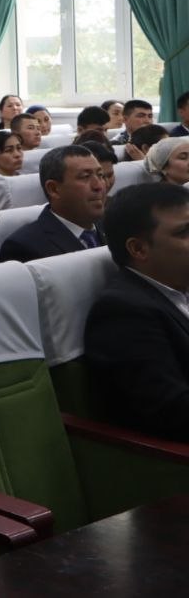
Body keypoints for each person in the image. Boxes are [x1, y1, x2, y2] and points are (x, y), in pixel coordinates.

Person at [85, 184, 189, 440]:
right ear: (139, 249)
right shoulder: (122, 312)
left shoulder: (181, 285)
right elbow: (174, 412)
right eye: (184, 232)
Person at [0, 145, 107, 262]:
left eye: (100, 175)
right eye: (85, 177)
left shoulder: (114, 226)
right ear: (54, 189)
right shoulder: (23, 247)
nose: (99, 186)